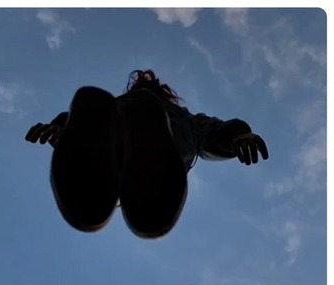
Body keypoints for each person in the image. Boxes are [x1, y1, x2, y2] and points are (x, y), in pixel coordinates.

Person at [25, 70, 269, 239]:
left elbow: (215, 132)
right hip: (136, 148)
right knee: (113, 124)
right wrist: (60, 129)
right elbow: (87, 125)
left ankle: (133, 169)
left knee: (120, 122)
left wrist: (238, 136)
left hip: (149, 146)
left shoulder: (181, 117)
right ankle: (118, 172)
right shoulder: (183, 118)